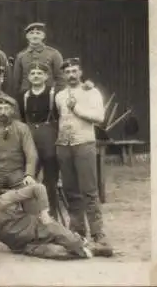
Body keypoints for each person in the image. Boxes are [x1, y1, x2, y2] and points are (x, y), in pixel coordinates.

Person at [16, 62, 96, 219]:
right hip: (30, 138)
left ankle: (52, 214)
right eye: (33, 74)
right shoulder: (23, 96)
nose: (36, 76)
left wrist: (87, 84)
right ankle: (29, 216)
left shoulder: (55, 93)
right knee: (28, 175)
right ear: (28, 77)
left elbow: (74, 91)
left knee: (50, 180)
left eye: (40, 73)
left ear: (46, 77)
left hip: (50, 140)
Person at [0, 176, 97, 260]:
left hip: (41, 228)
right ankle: (85, 247)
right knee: (58, 252)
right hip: (25, 246)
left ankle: (88, 246)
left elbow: (38, 188)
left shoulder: (7, 198)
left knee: (71, 242)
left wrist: (44, 212)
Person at [55, 58, 113, 255]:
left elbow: (99, 118)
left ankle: (98, 234)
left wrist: (76, 109)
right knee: (71, 191)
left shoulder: (91, 92)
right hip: (64, 145)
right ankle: (77, 232)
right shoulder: (60, 95)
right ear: (63, 75)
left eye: (74, 71)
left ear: (80, 72)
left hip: (84, 144)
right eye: (67, 71)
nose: (71, 75)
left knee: (89, 190)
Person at [0, 96, 40, 212]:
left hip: (17, 173)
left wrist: (29, 174)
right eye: (0, 109)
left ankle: (32, 224)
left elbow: (31, 153)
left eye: (6, 109)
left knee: (31, 192)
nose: (3, 112)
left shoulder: (22, 128)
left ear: (12, 111)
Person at [13, 22, 64, 97]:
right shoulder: (21, 56)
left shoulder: (54, 54)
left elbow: (61, 78)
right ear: (27, 36)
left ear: (43, 36)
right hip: (26, 96)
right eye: (32, 33)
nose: (35, 36)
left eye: (38, 33)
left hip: (48, 96)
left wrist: (56, 95)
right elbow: (16, 81)